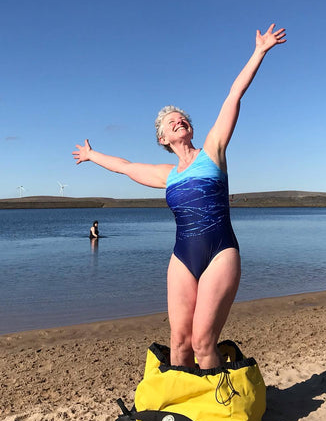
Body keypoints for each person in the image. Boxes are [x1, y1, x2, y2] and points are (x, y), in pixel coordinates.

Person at [72, 24, 286, 369]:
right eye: (171, 121)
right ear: (162, 139)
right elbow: (125, 167)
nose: (178, 121)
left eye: (182, 118)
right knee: (179, 344)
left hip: (221, 253)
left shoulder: (213, 151)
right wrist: (92, 155)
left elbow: (233, 97)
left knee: (203, 342)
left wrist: (259, 51)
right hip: (183, 258)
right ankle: (185, 406)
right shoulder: (166, 175)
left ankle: (219, 409)